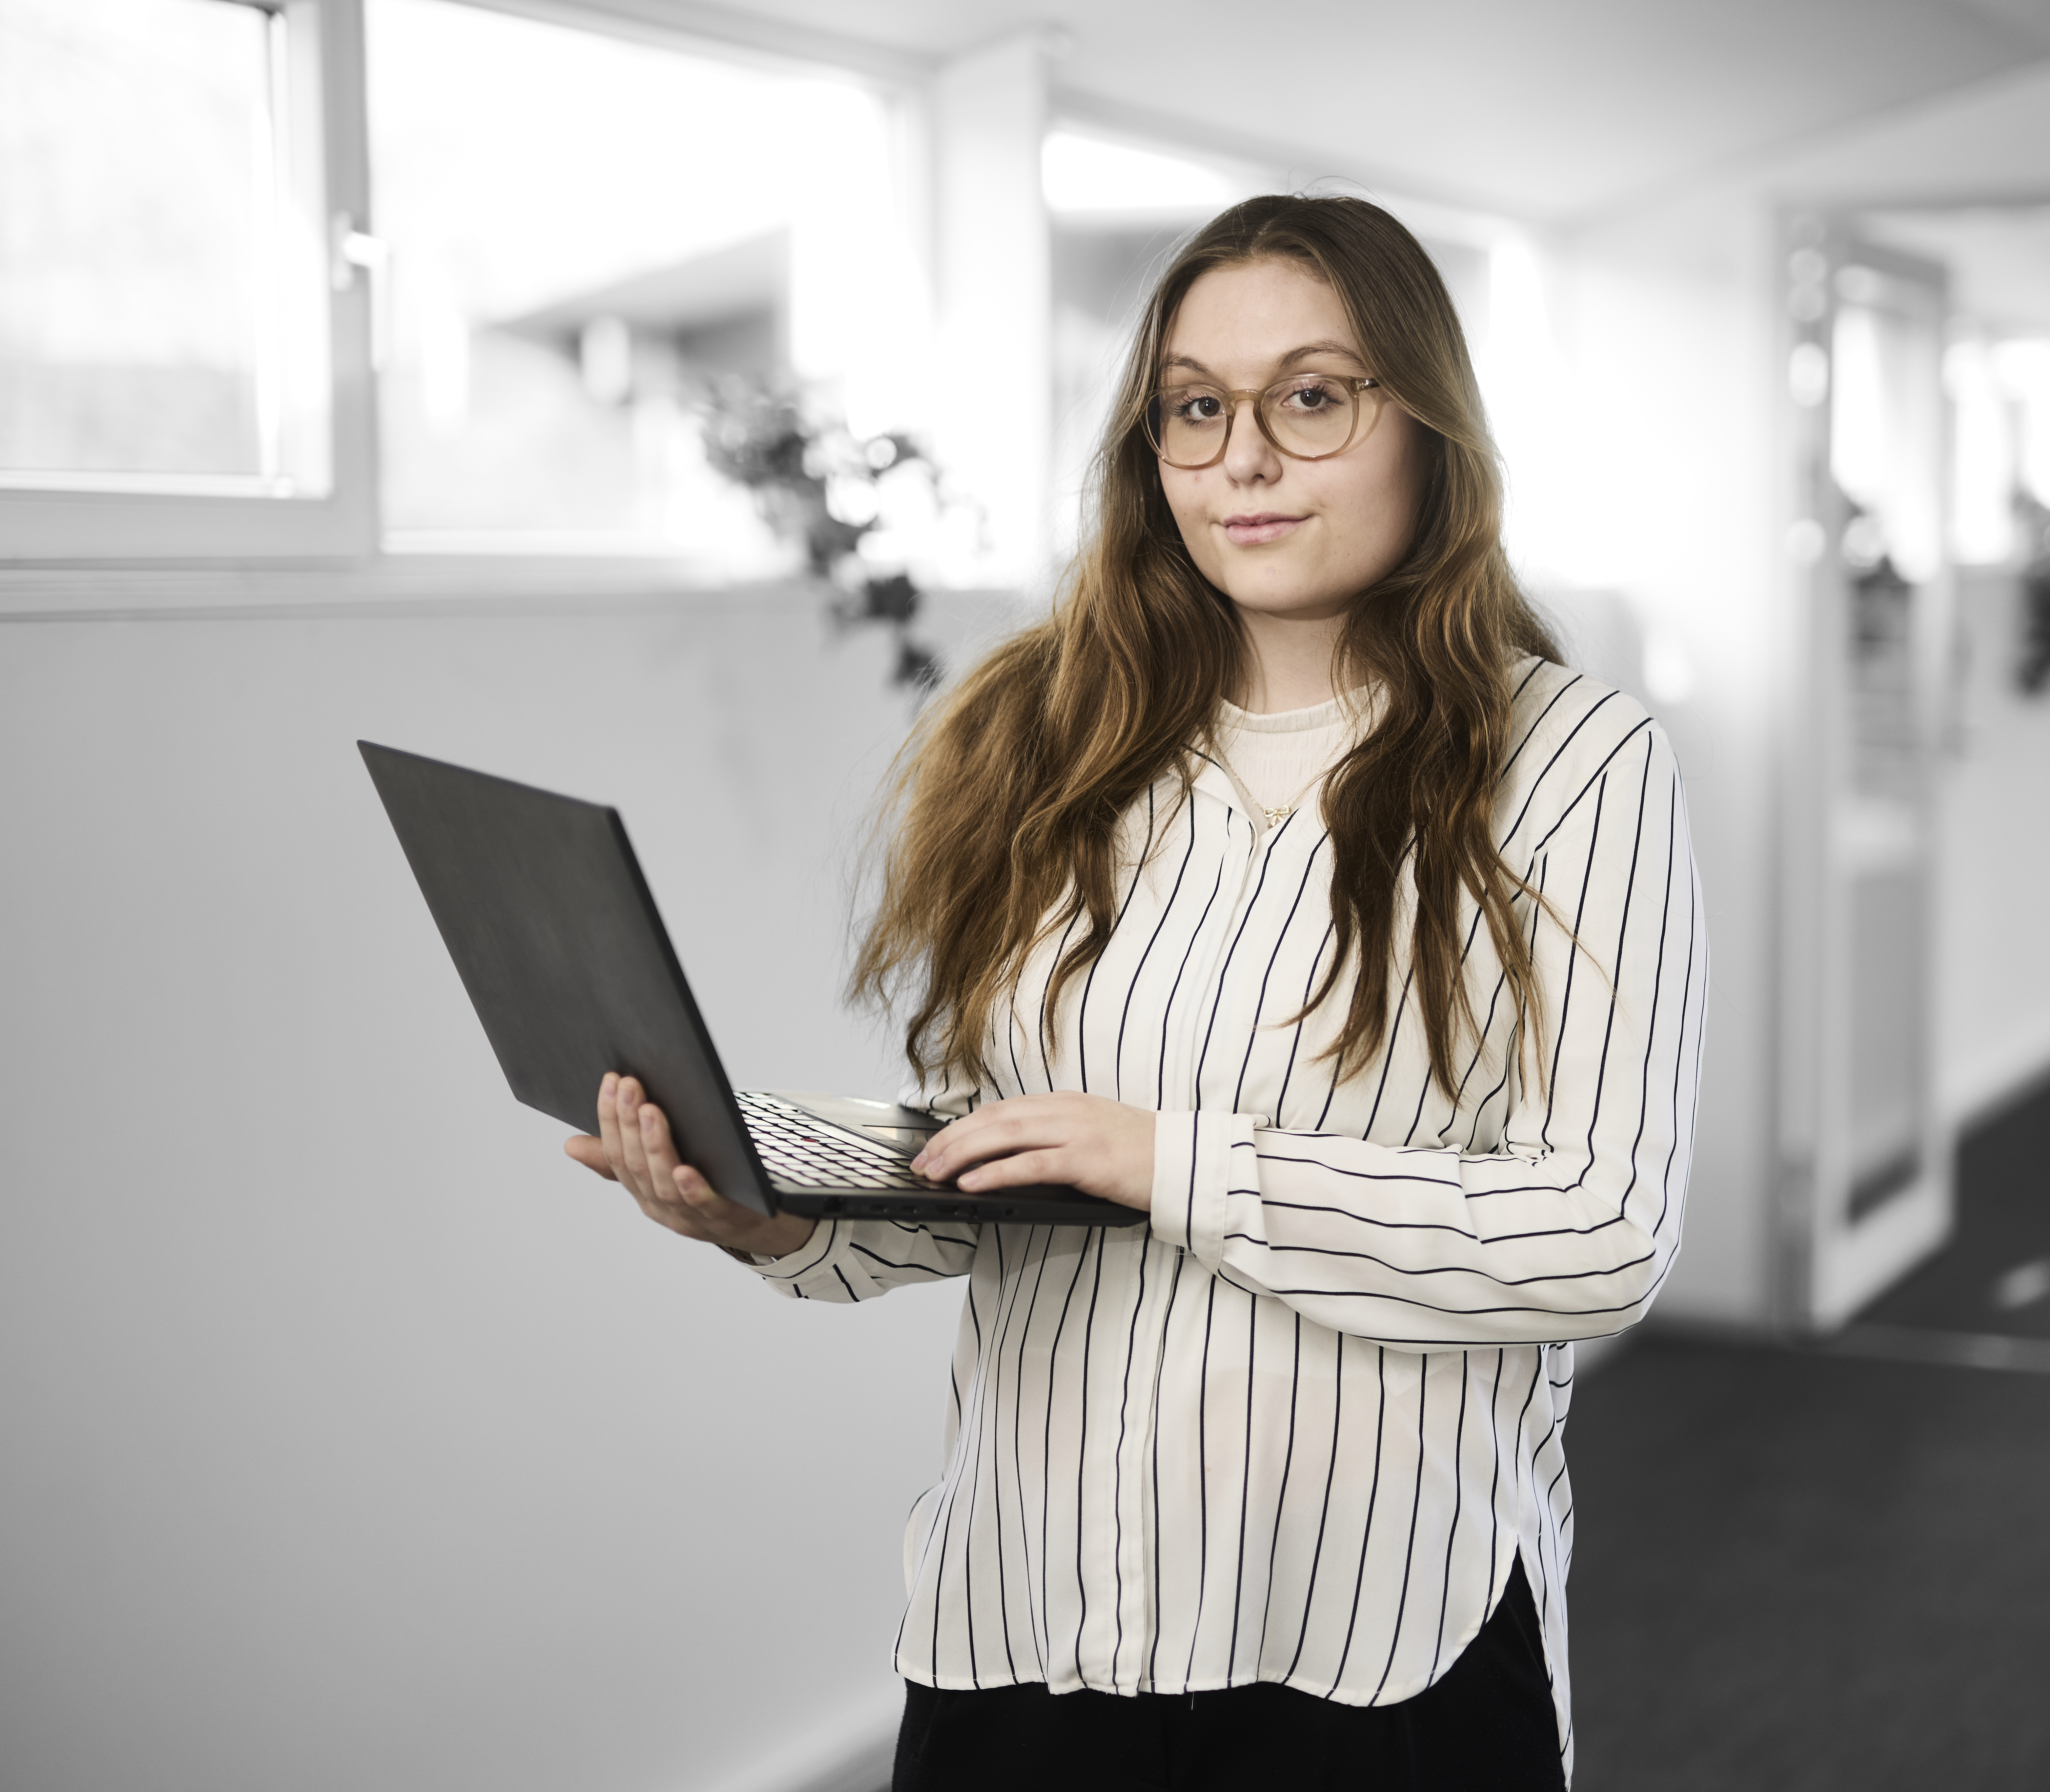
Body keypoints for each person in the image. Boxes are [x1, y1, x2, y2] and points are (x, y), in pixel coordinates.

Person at [565, 194, 1705, 1791]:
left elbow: (1596, 1233)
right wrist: (782, 1211)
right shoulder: (1043, 735)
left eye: (1310, 396)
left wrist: (1170, 1160)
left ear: (1428, 427)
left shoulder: (1573, 764)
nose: (1241, 456)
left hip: (1378, 1639)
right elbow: (1023, 1158)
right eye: (1193, 406)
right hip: (1028, 1623)